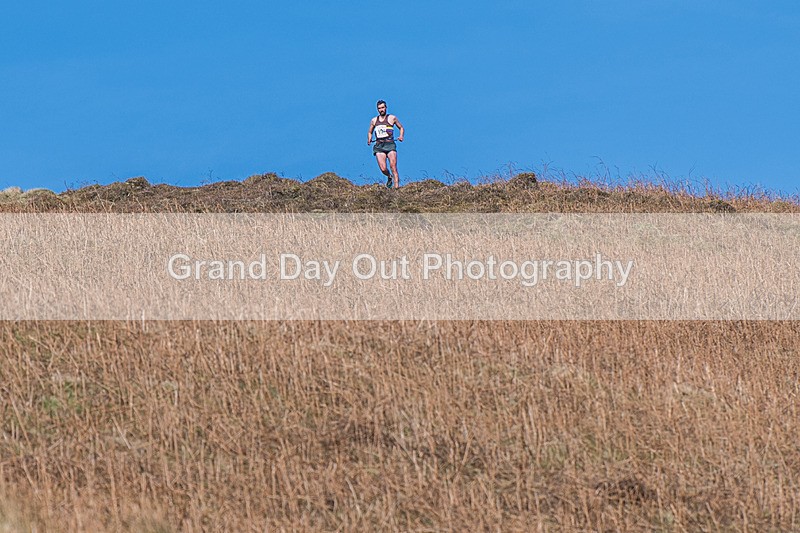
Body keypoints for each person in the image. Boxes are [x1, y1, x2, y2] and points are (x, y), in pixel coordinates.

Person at [367, 100, 404, 188]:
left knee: (393, 166)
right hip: (379, 146)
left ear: (386, 108)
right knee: (383, 168)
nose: (381, 110)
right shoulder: (374, 120)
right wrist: (369, 138)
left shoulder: (392, 118)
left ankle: (396, 187)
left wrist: (401, 136)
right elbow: (370, 132)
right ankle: (389, 177)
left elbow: (401, 127)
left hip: (390, 144)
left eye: (383, 108)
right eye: (379, 108)